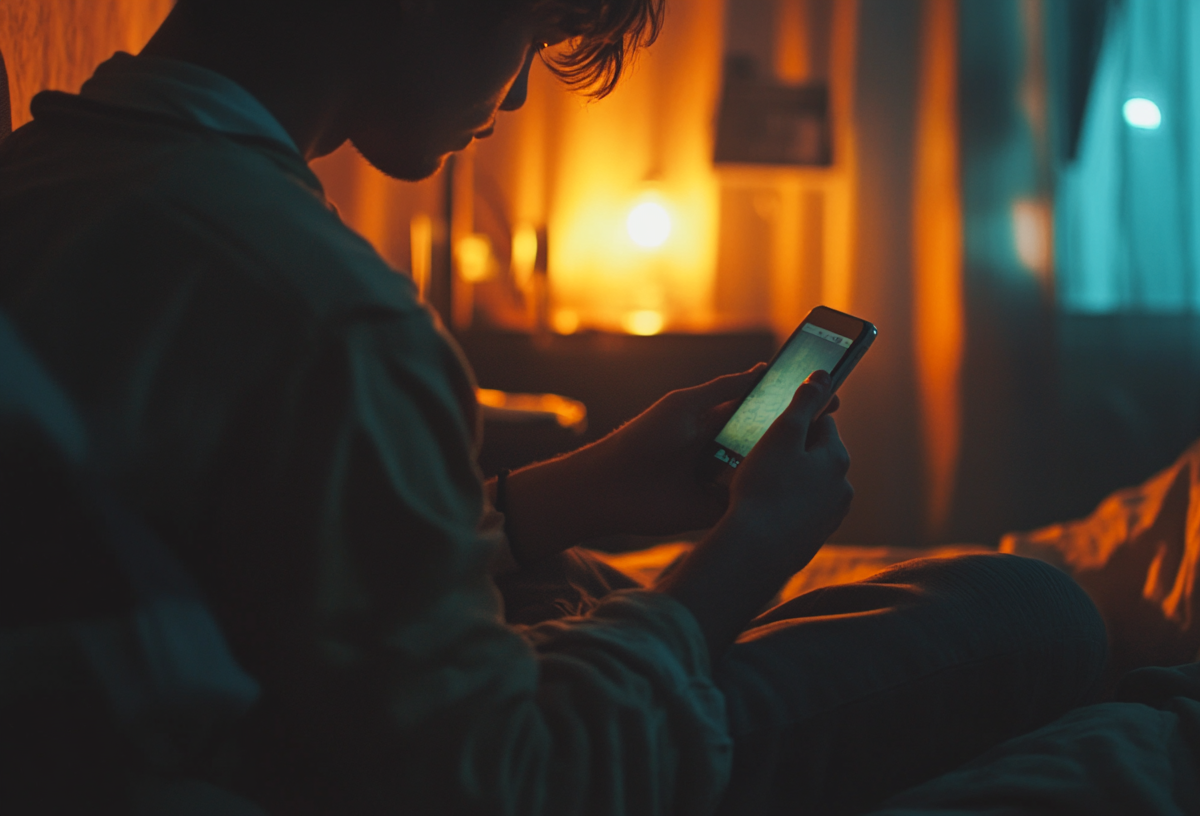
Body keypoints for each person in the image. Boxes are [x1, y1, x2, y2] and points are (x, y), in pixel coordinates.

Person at [0, 0, 1107, 813]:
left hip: (256, 702)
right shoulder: (327, 309)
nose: (521, 92)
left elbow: (228, 545)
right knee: (1027, 607)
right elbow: (507, 783)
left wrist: (551, 502)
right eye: (529, 36)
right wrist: (744, 552)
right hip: (347, 766)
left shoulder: (44, 177)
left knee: (583, 583)